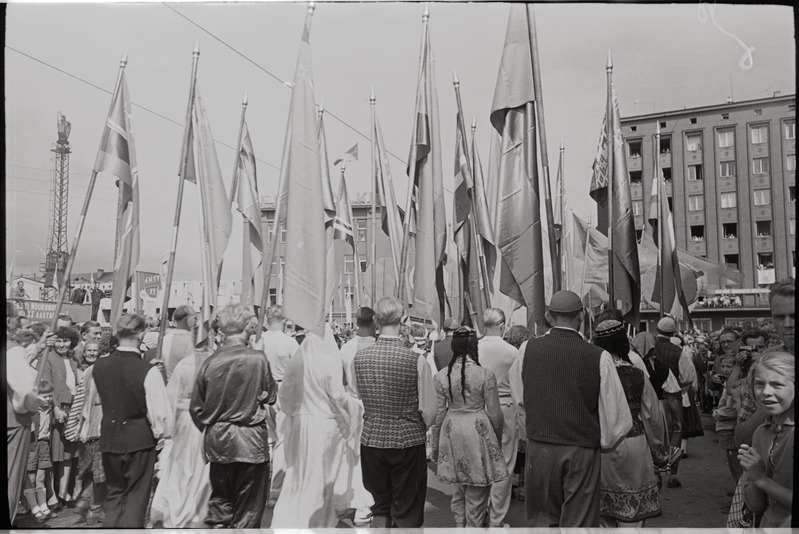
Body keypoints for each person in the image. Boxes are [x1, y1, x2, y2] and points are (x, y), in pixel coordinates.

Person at [509, 291, 632, 527]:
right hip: (581, 448)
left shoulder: (527, 349)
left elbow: (520, 399)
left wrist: (534, 429)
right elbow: (615, 413)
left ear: (549, 316)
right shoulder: (599, 356)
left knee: (543, 520)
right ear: (581, 317)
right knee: (580, 519)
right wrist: (604, 443)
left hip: (540, 446)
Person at [352, 296, 437, 528]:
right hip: (407, 441)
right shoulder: (417, 361)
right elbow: (429, 410)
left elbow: (359, 394)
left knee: (380, 505)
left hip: (372, 439)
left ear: (376, 320)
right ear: (402, 320)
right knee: (407, 509)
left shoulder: (359, 359)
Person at [189, 303, 277, 528]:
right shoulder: (257, 358)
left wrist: (213, 426)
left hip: (219, 440)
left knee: (221, 501)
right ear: (248, 326)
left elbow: (196, 407)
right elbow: (271, 395)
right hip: (250, 440)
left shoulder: (210, 360)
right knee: (248, 507)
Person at [92, 314, 170, 527]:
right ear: (141, 334)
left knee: (115, 495)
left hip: (110, 438)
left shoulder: (100, 365)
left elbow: (105, 396)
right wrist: (159, 436)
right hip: (139, 440)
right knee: (136, 498)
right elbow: (159, 415)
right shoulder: (148, 371)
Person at [728, 278, 794, 528]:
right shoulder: (768, 361)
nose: (788, 324)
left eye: (794, 315)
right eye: (779, 317)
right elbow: (742, 436)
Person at [271, 326, 352, 527]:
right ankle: (318, 519)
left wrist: (291, 413)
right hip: (325, 424)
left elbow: (285, 393)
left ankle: (292, 515)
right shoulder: (329, 360)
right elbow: (337, 394)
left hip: (301, 421)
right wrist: (352, 406)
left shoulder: (299, 360)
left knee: (299, 472)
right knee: (321, 474)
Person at [592, 320, 669, 527]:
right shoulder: (637, 375)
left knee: (603, 515)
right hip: (633, 444)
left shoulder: (589, 373)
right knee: (632, 519)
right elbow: (653, 418)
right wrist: (660, 454)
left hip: (598, 446)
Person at [431, 326, 507, 527]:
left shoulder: (441, 376)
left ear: (454, 346)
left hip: (451, 428)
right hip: (478, 429)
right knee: (477, 490)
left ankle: (459, 526)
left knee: (458, 489)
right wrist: (496, 440)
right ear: (475, 346)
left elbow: (438, 415)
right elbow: (495, 414)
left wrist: (436, 445)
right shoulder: (485, 375)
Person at [149, 347, 212, 527]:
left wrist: (168, 430)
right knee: (193, 464)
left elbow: (171, 398)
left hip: (187, 418)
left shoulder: (185, 364)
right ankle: (192, 507)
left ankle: (186, 505)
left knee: (186, 465)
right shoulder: (210, 363)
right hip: (199, 418)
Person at [738, 351, 794, 528]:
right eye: (759, 384)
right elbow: (756, 505)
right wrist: (751, 478)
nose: (766, 392)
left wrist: (761, 479)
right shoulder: (762, 432)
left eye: (777, 384)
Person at [477, 308, 519, 527]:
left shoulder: (474, 347)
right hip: (505, 405)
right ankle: (496, 520)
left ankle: (479, 510)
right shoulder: (512, 351)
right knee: (504, 465)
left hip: (479, 407)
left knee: (481, 463)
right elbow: (519, 387)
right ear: (502, 326)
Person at [7, 301, 48, 526]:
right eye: (15, 318)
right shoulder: (13, 349)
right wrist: (34, 406)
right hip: (12, 422)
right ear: (7, 321)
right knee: (12, 479)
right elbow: (24, 391)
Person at [336, 307, 377, 526]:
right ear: (373, 323)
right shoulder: (376, 346)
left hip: (353, 403)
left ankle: (359, 498)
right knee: (367, 455)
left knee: (355, 455)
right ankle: (364, 502)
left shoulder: (345, 347)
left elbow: (341, 379)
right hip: (371, 404)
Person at [257, 304, 300, 508]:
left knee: (268, 439)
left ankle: (264, 486)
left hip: (263, 390)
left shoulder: (259, 341)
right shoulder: (289, 343)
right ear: (283, 320)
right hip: (283, 389)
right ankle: (275, 490)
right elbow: (301, 369)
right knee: (282, 440)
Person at [36, 325, 81, 507]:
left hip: (72, 409)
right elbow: (45, 385)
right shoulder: (47, 359)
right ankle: (52, 494)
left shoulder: (74, 359)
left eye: (66, 341)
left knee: (69, 453)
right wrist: (55, 409)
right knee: (54, 454)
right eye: (59, 341)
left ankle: (64, 491)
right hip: (56, 409)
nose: (62, 345)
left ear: (72, 342)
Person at [652, 317, 688, 488]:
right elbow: (687, 377)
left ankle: (656, 471)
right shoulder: (677, 351)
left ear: (657, 330)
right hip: (672, 397)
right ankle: (673, 474)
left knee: (655, 435)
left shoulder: (647, 348)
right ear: (673, 333)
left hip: (651, 398)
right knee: (676, 431)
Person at [713, 354, 741, 485]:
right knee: (731, 460)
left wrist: (719, 413)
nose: (724, 369)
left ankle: (740, 491)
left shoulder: (736, 384)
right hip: (725, 424)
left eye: (728, 366)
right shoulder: (726, 381)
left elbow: (735, 408)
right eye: (722, 366)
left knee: (735, 461)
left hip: (729, 424)